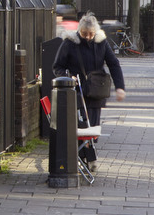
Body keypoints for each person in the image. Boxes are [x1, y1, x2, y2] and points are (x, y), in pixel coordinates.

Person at [52, 12, 126, 162]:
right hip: (76, 91)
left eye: (91, 34)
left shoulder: (101, 43)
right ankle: (83, 158)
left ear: (95, 32)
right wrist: (68, 76)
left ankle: (89, 157)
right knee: (79, 126)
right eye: (84, 34)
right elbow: (57, 66)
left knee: (92, 126)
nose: (88, 37)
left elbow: (114, 64)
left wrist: (120, 87)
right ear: (79, 31)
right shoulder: (69, 43)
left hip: (96, 91)